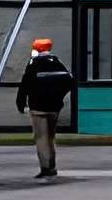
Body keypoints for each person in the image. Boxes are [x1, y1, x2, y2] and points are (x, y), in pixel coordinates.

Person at [17, 38, 74, 181]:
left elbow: (25, 85)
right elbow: (70, 82)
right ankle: (52, 166)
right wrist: (59, 96)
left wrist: (21, 103)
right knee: (50, 136)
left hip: (38, 107)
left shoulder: (33, 64)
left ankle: (45, 167)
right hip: (54, 107)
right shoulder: (57, 63)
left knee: (41, 137)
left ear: (37, 49)